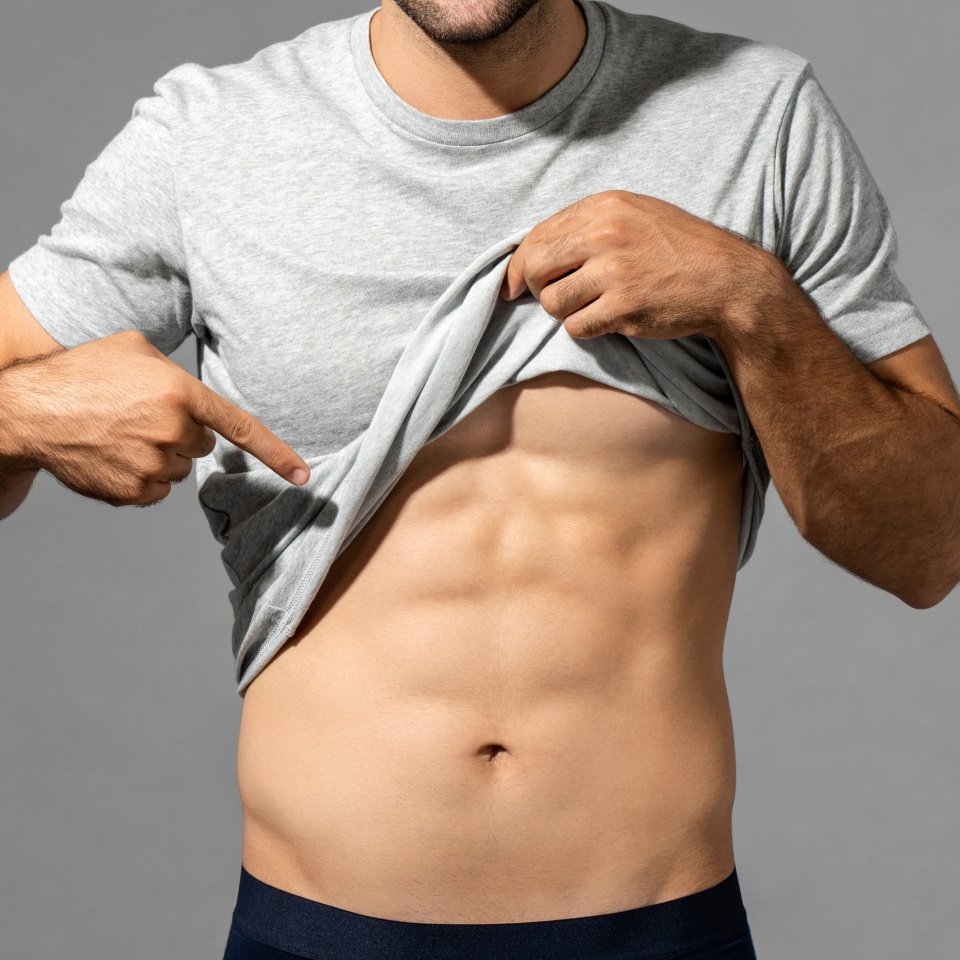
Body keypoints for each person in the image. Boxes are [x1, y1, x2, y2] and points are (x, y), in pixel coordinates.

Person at [1, 1, 959, 957]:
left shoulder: (757, 117)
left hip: (659, 929)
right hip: (318, 931)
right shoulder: (211, 135)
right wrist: (25, 413)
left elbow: (930, 548)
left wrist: (750, 300)